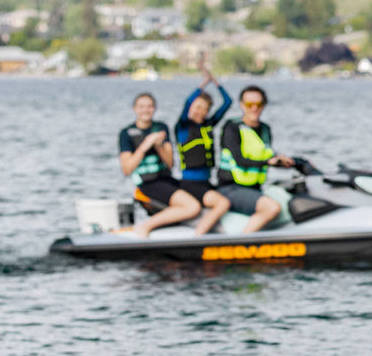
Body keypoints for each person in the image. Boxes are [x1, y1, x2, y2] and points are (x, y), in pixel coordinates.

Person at [216, 84, 298, 234]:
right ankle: (240, 243)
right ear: (242, 105)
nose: (254, 108)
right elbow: (240, 160)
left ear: (264, 105)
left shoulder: (265, 129)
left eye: (259, 104)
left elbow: (266, 156)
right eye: (249, 104)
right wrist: (268, 162)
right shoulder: (232, 128)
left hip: (255, 189)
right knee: (272, 208)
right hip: (231, 188)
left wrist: (282, 162)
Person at [118, 91, 203, 236]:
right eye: (142, 106)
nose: (146, 110)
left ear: (154, 108)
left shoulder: (161, 127)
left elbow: (170, 163)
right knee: (192, 207)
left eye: (149, 106)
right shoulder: (126, 133)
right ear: (135, 108)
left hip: (166, 179)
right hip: (148, 184)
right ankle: (145, 227)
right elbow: (127, 169)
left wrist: (158, 145)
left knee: (200, 195)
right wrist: (145, 145)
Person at [172, 69, 234, 235]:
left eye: (203, 108)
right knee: (222, 203)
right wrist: (203, 84)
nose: (199, 111)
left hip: (207, 181)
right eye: (197, 107)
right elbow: (187, 103)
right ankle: (198, 237)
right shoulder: (182, 127)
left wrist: (216, 82)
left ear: (207, 112)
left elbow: (228, 102)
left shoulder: (208, 125)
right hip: (190, 184)